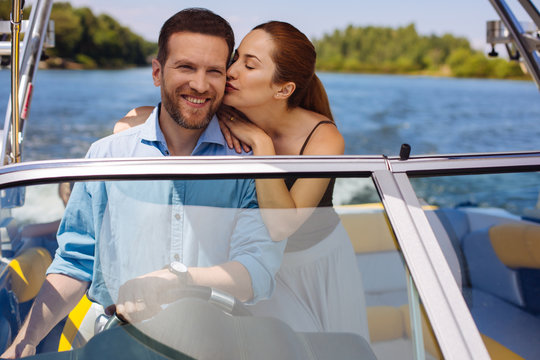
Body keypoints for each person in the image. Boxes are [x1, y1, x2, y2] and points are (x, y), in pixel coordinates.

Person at [1, 9, 284, 359]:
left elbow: (258, 270)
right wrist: (25, 341)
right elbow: (75, 262)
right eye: (185, 67)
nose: (199, 84)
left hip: (217, 340)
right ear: (156, 72)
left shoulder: (247, 164)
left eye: (214, 71)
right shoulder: (107, 155)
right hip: (123, 340)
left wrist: (178, 280)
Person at [114, 21, 369, 339]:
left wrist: (261, 145)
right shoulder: (224, 108)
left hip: (315, 265)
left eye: (249, 65)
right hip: (251, 263)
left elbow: (280, 226)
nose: (231, 71)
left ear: (283, 89)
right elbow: (130, 123)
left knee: (331, 347)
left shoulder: (323, 137)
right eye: (235, 59)